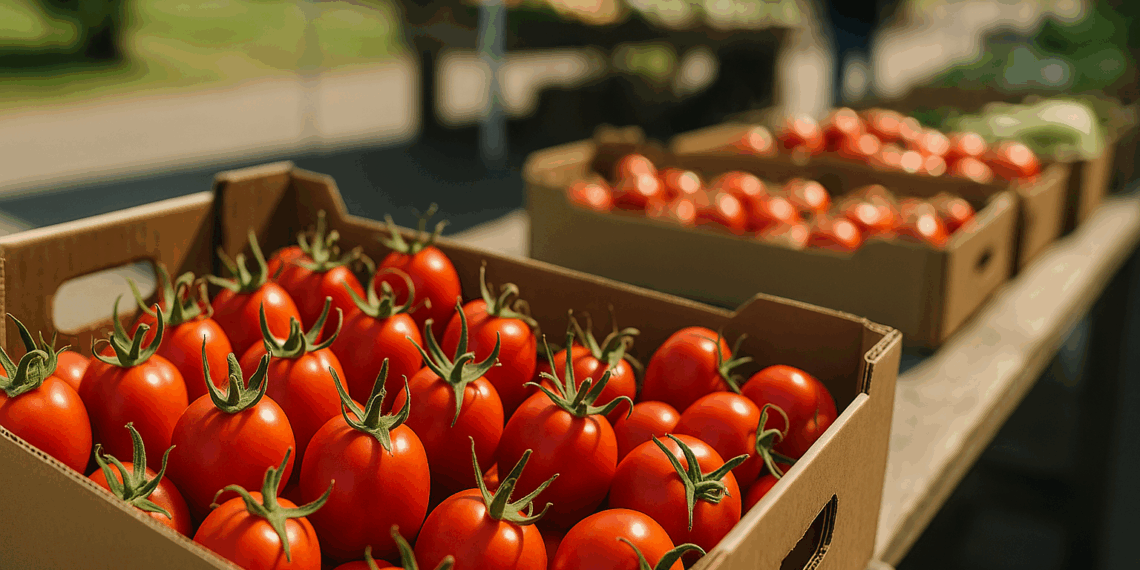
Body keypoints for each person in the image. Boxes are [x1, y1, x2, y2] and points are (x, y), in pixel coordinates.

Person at [822, 0, 900, 104]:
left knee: (862, 58)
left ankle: (866, 96)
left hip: (860, 19)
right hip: (845, 19)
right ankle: (840, 98)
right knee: (845, 60)